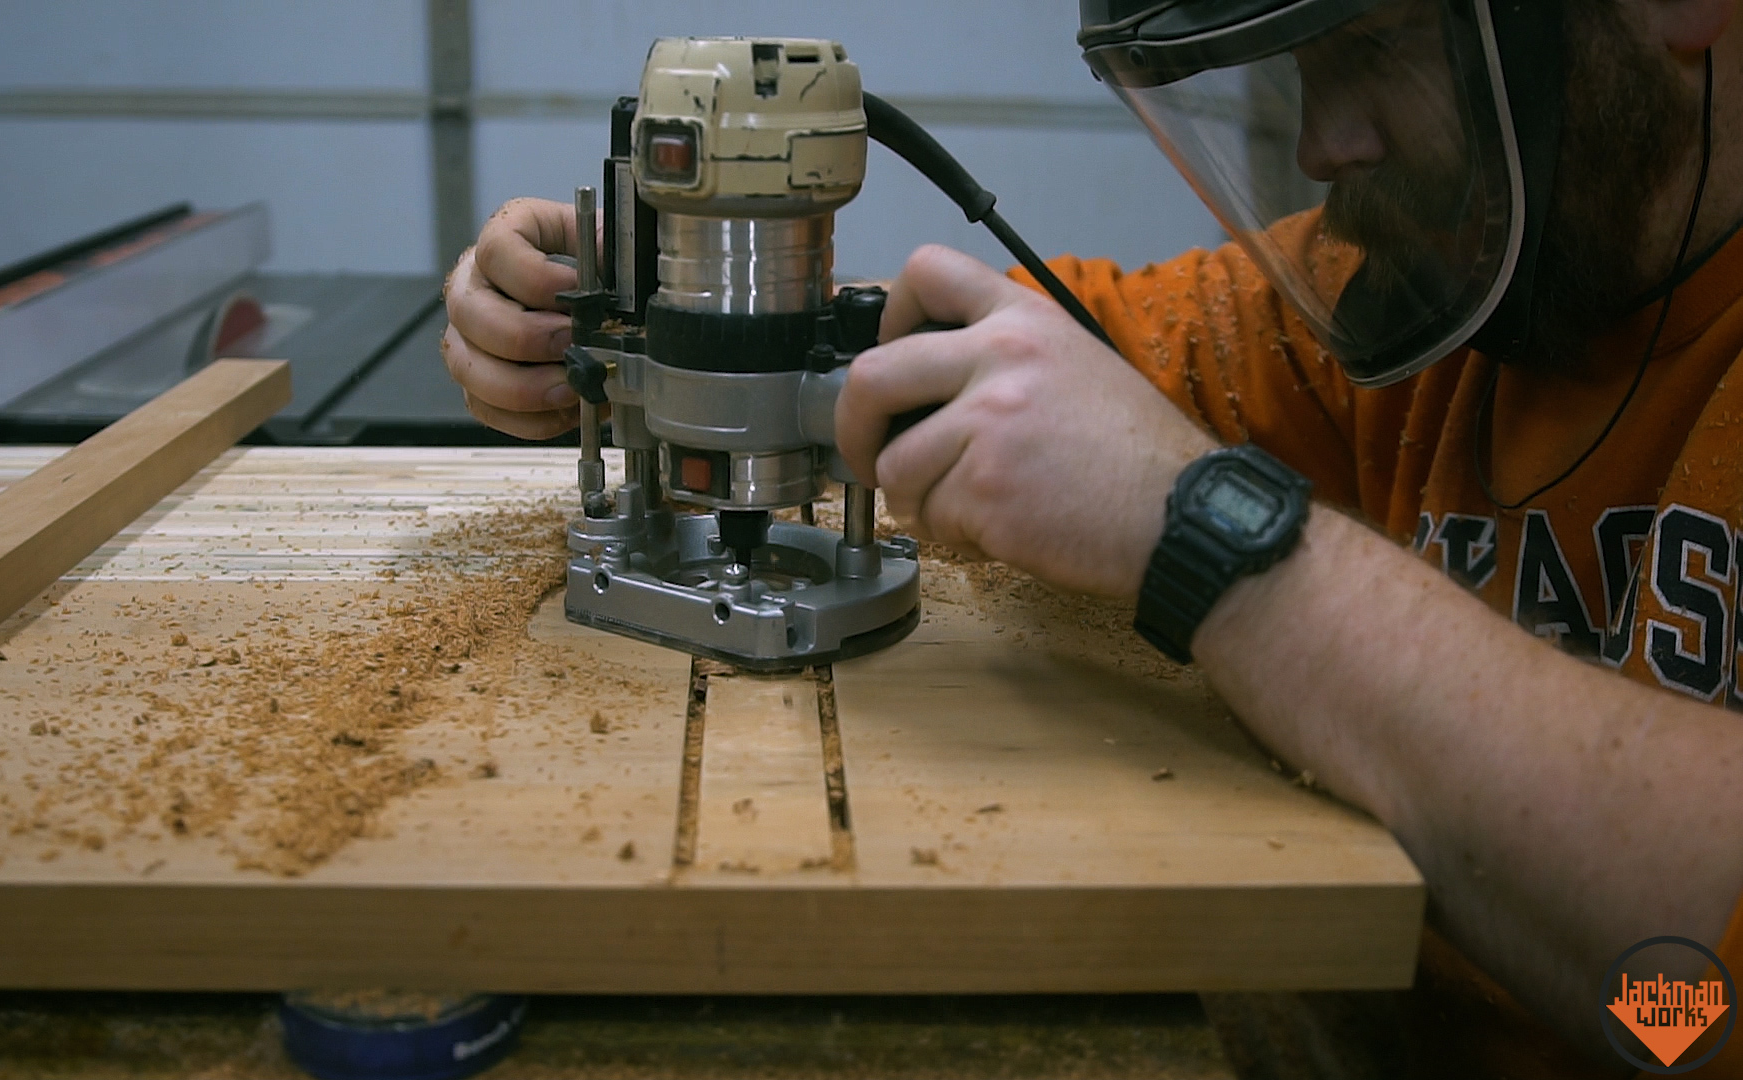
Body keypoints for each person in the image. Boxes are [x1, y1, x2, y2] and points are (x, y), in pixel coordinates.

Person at [443, 0, 1743, 1073]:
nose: (1327, 142)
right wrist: (652, 311)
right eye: (1302, 65)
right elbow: (1023, 377)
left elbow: (1698, 1006)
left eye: (1382, 43)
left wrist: (1219, 538)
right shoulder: (1422, 291)